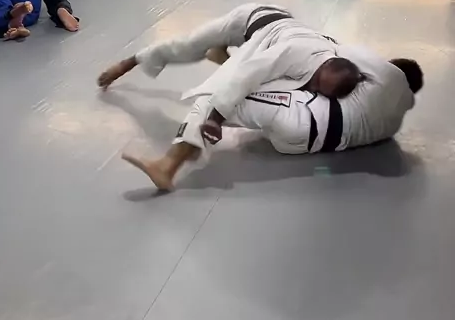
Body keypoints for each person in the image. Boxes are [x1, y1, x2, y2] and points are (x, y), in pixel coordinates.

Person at [120, 47, 423, 191]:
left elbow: (334, 54)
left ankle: (168, 166)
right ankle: (227, 65)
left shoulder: (386, 73)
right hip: (308, 143)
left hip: (301, 118)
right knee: (286, 85)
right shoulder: (394, 122)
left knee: (216, 97)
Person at [98, 3, 364, 112]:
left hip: (271, 33)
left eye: (319, 89)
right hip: (247, 20)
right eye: (317, 83)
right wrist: (215, 117)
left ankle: (219, 53)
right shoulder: (293, 55)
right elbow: (242, 78)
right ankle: (130, 61)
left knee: (260, 76)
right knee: (188, 46)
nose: (313, 88)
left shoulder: (333, 54)